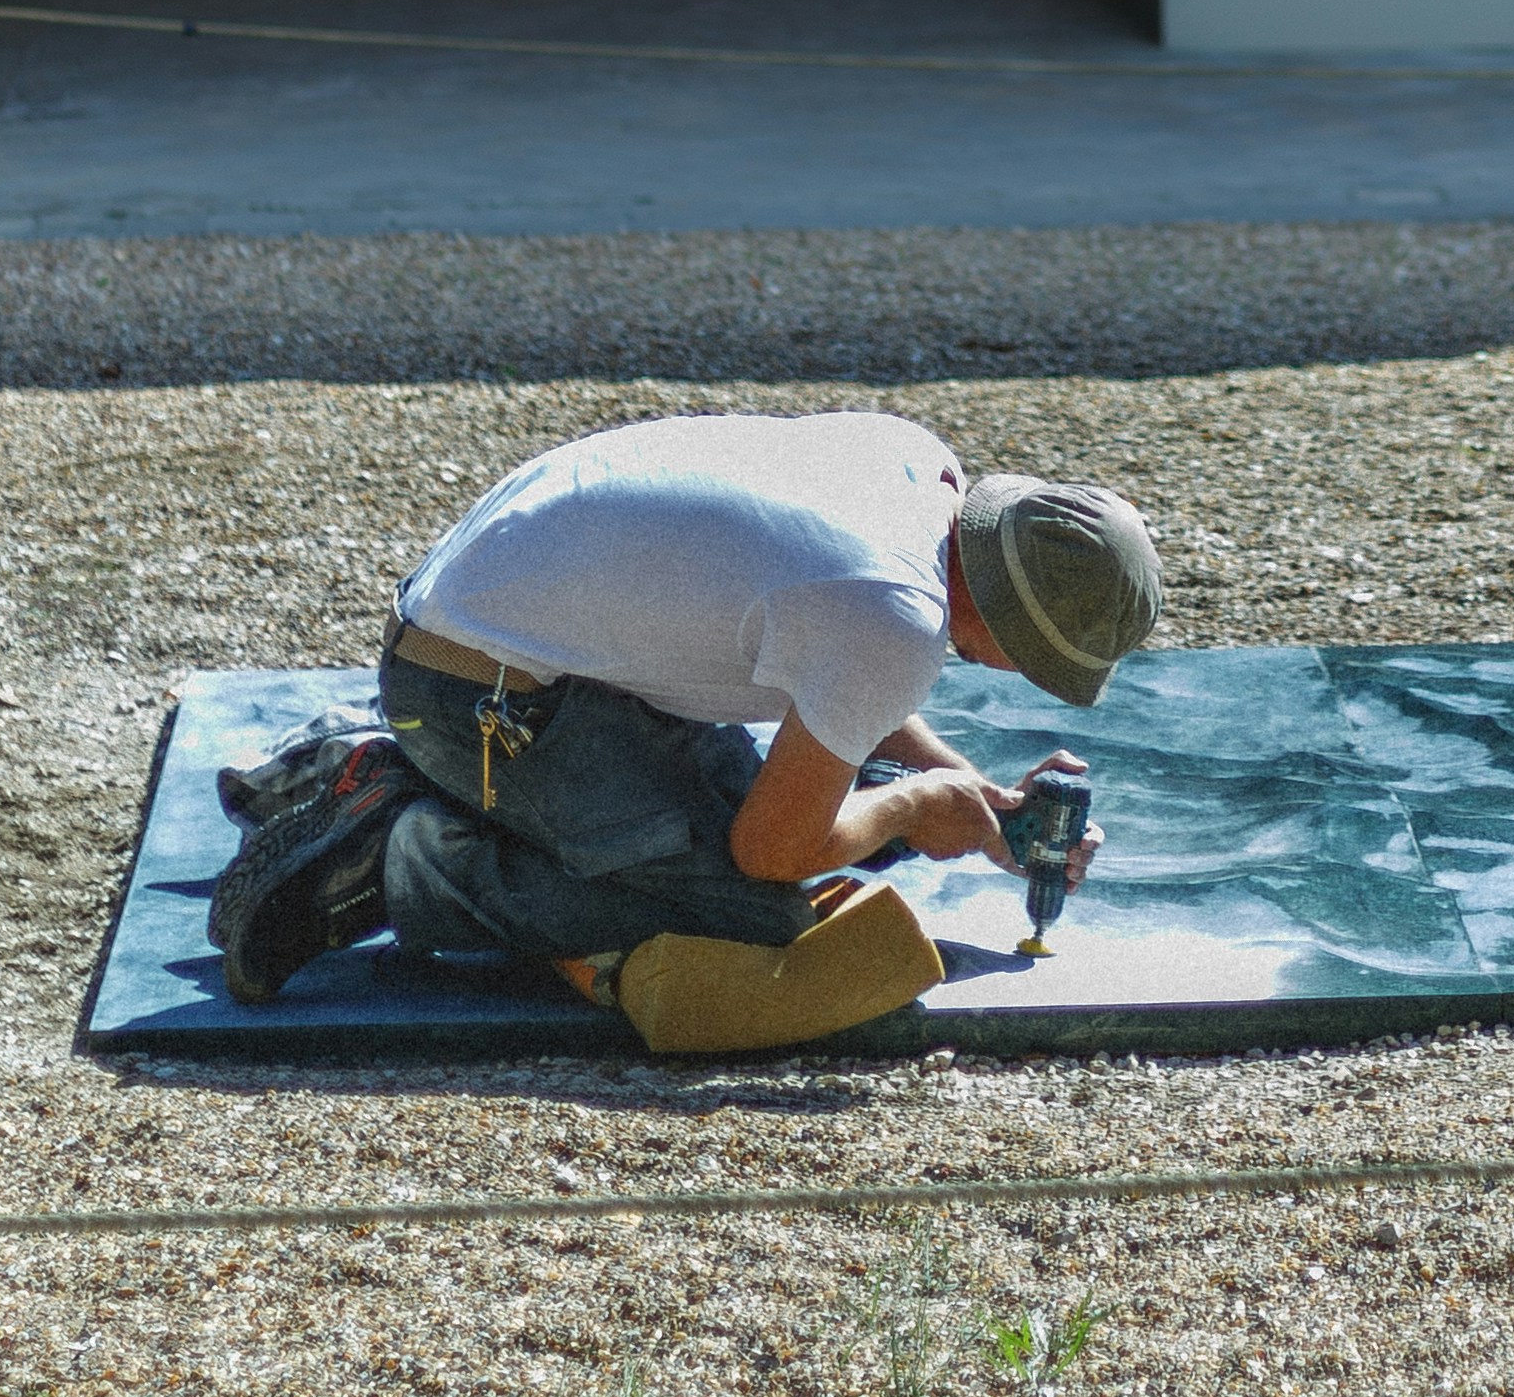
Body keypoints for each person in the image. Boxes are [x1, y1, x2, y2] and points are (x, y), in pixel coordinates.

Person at [208, 410, 1159, 1060]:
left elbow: (841, 666)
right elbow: (773, 849)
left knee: (801, 808)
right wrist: (913, 804)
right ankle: (398, 846)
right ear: (1001, 614)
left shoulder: (915, 466)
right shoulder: (896, 615)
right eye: (1031, 657)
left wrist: (977, 802)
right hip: (478, 691)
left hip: (490, 627)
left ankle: (386, 748)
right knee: (752, 914)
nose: (1016, 673)